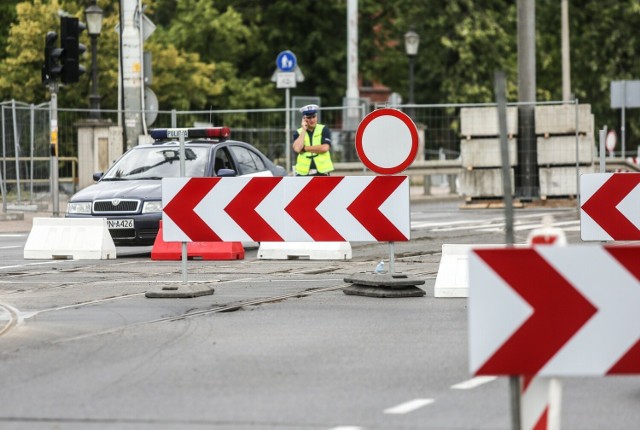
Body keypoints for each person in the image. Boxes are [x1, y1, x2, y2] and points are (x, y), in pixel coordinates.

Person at [292, 104, 334, 176]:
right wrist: (304, 129)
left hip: (322, 173)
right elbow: (297, 149)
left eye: (314, 117)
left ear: (316, 117)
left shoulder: (324, 129)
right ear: (304, 119)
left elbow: (325, 148)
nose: (312, 120)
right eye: (309, 117)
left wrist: (305, 148)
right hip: (303, 173)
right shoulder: (299, 132)